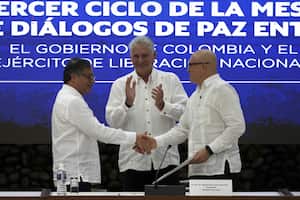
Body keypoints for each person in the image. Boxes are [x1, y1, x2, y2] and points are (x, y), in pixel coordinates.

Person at [142, 49, 246, 191]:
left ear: (204, 66)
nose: (188, 69)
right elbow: (182, 129)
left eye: (191, 65)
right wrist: (155, 142)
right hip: (197, 171)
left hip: (220, 169)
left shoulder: (222, 89)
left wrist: (210, 150)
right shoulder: (195, 96)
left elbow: (237, 127)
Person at [51, 58, 149, 192]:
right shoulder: (72, 101)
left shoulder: (64, 97)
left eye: (93, 76)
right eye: (88, 76)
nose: (93, 81)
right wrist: (135, 138)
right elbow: (99, 132)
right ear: (73, 77)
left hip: (71, 174)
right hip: (76, 175)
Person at [105, 36, 188, 191]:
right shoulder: (120, 84)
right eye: (136, 56)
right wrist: (127, 104)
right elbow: (112, 122)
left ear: (154, 56)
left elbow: (187, 116)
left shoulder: (170, 80)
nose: (140, 60)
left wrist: (164, 105)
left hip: (166, 161)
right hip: (132, 162)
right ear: (131, 58)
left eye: (145, 55)